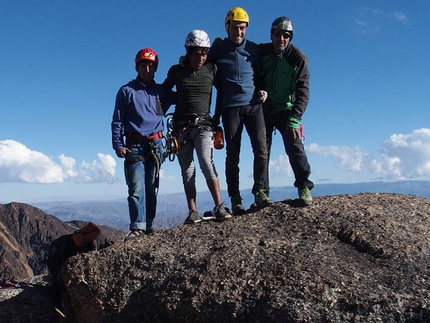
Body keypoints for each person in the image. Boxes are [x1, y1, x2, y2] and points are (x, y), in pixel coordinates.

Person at [163, 30, 232, 224]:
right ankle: (193, 212)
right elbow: (164, 92)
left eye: (204, 53)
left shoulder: (211, 69)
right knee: (188, 170)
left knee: (205, 161)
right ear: (188, 51)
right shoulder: (176, 71)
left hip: (203, 125)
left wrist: (216, 116)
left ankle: (219, 206)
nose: (201, 57)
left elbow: (223, 89)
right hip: (181, 129)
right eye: (197, 53)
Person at [209, 7, 272, 215]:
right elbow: (200, 61)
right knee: (232, 155)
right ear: (227, 27)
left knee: (261, 150)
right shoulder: (217, 51)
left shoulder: (254, 49)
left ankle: (260, 191)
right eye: (235, 27)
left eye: (243, 28)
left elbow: (263, 70)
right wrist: (183, 60)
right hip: (230, 108)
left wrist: (263, 88)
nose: (239, 32)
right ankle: (235, 198)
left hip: (254, 105)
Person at [111, 48, 174, 241]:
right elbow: (118, 120)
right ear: (137, 67)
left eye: (150, 65)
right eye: (143, 65)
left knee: (151, 187)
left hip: (156, 144)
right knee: (136, 189)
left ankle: (149, 224)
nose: (147, 69)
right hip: (134, 145)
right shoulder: (127, 91)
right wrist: (118, 144)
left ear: (155, 68)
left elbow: (184, 98)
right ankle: (138, 227)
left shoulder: (161, 91)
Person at [259, 17, 314, 205]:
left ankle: (303, 186)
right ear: (271, 35)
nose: (281, 39)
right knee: (262, 149)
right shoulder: (262, 52)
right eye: (277, 34)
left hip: (286, 108)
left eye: (286, 35)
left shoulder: (297, 57)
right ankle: (261, 191)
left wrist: (296, 117)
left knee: (294, 144)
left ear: (290, 37)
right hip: (264, 107)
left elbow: (303, 89)